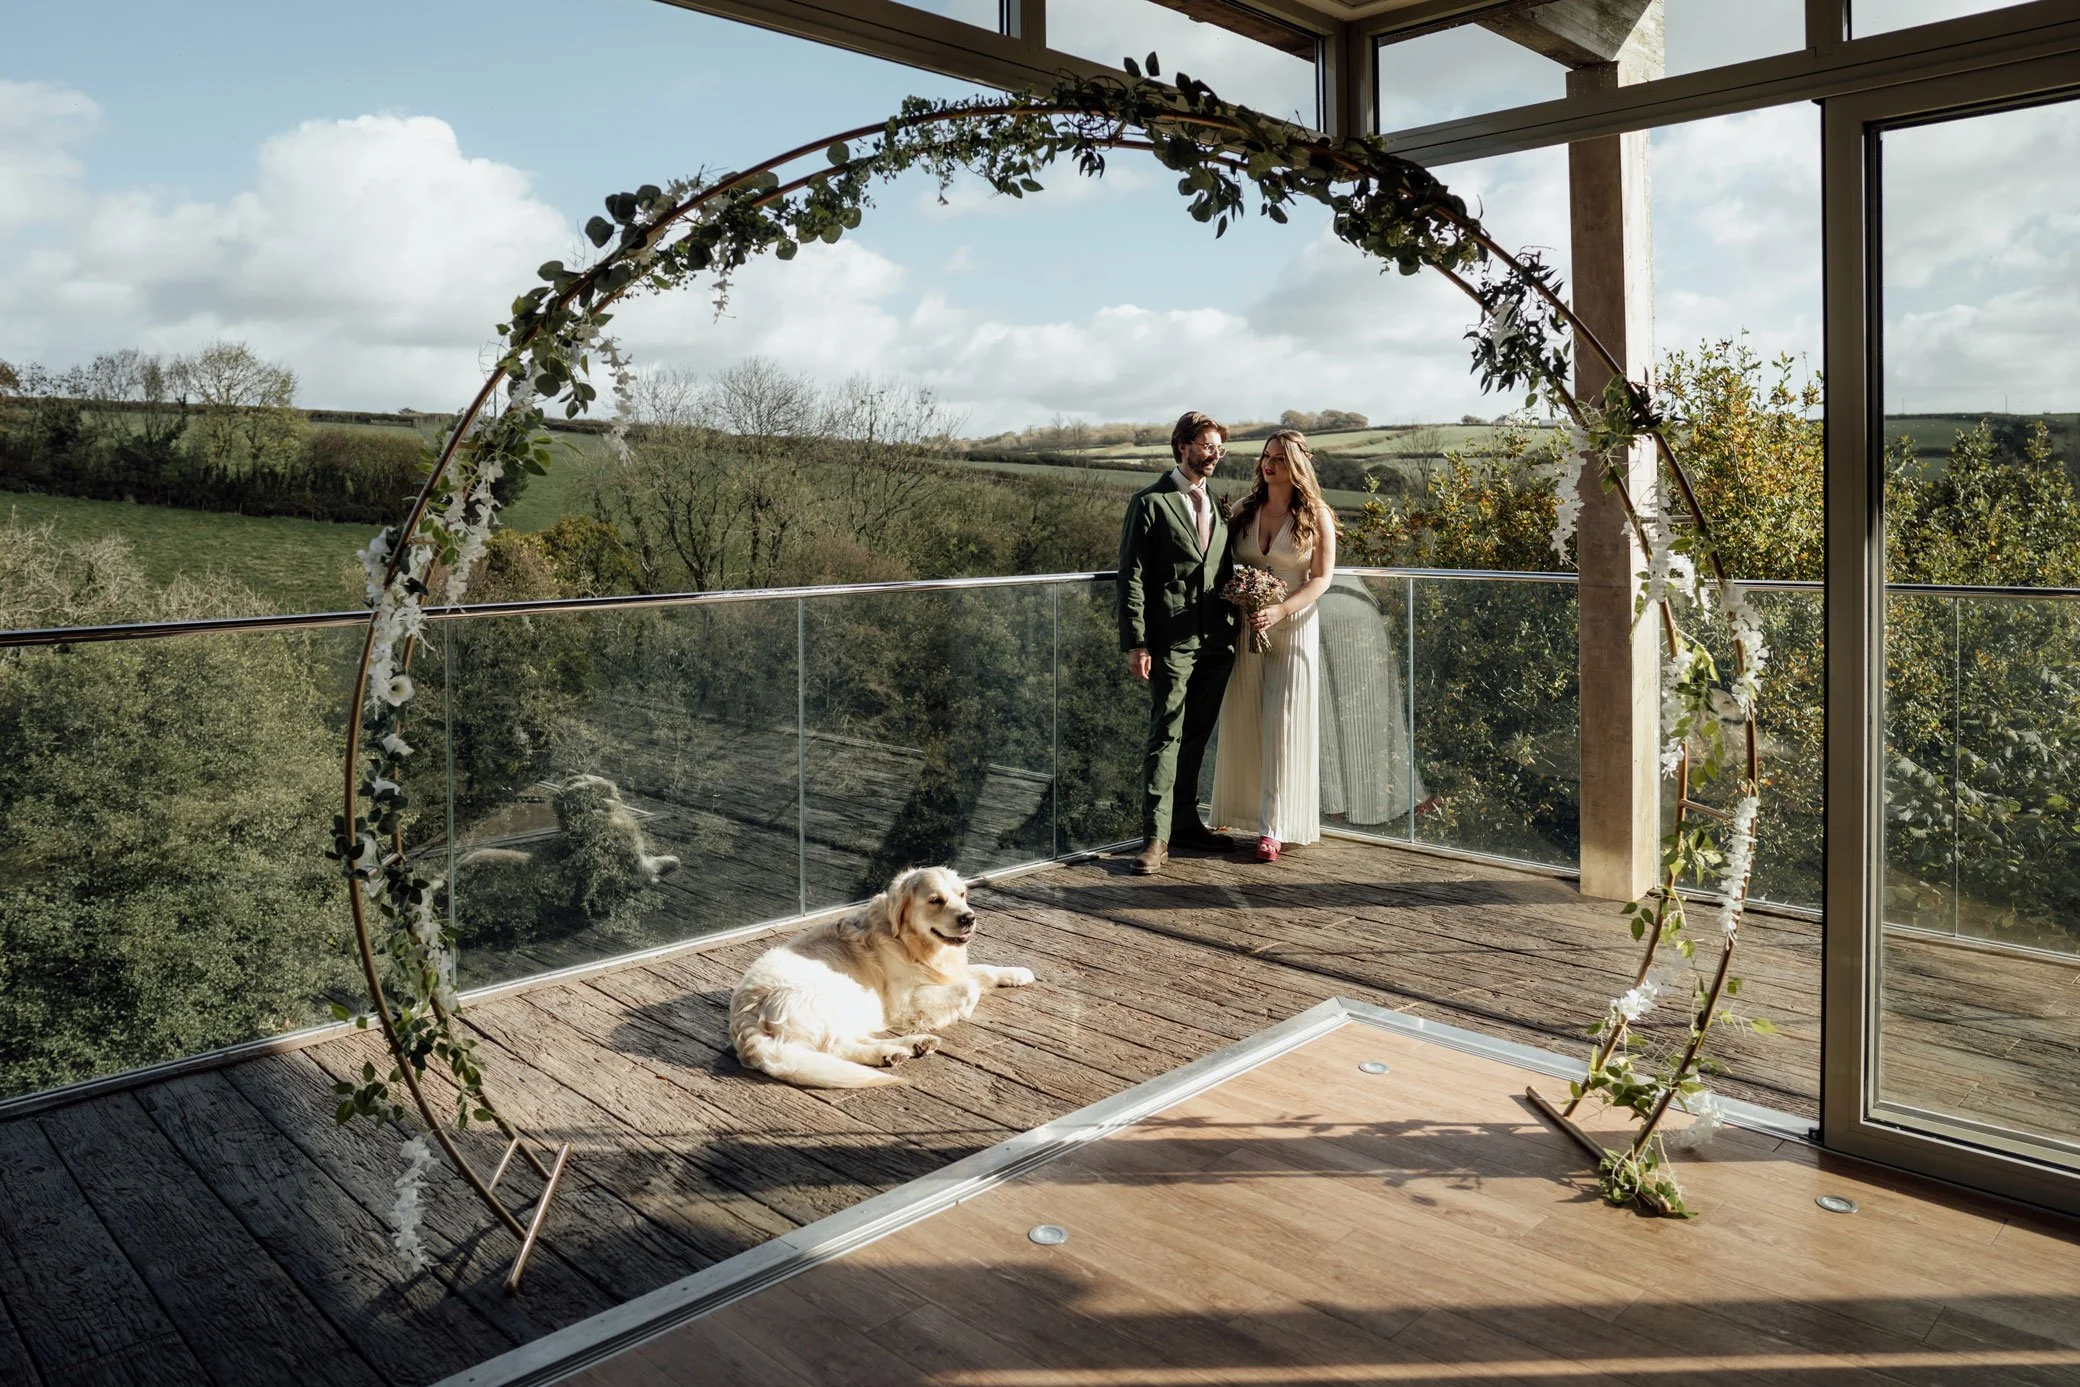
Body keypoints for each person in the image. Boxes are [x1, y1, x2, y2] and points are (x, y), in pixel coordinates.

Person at [1117, 411, 1238, 876]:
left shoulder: (1221, 506)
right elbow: (1131, 577)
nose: (1214, 456)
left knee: (1198, 734)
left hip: (1216, 640)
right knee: (1165, 733)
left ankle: (1187, 824)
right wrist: (1137, 641)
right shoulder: (1149, 502)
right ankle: (1155, 838)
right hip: (1169, 641)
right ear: (1183, 445)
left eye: (1219, 449)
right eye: (1208, 446)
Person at [1210, 428, 1337, 862]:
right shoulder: (1244, 510)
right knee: (1244, 715)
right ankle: (1239, 809)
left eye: (1280, 458)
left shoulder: (1315, 514)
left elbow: (1321, 578)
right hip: (1246, 627)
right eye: (1267, 456)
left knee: (1282, 722)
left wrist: (1283, 611)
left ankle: (1274, 826)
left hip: (1293, 624)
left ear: (1297, 464)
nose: (1270, 464)